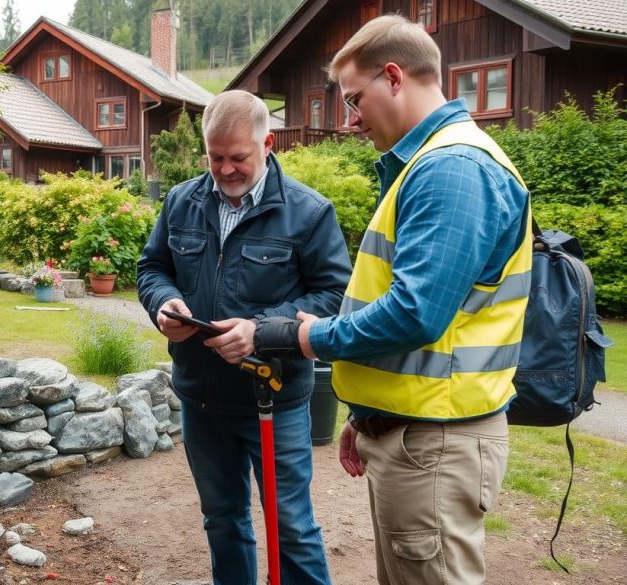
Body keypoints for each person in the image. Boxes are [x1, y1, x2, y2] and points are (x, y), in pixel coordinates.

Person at [251, 15, 533, 585]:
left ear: (395, 77)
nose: (351, 120)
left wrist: (307, 336)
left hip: (436, 442)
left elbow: (416, 312)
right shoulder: (430, 164)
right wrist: (371, 413)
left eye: (355, 99)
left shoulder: (450, 169)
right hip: (415, 429)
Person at [137, 89, 351, 585]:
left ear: (268, 143)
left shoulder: (310, 212)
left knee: (291, 526)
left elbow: (335, 296)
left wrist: (261, 332)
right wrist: (162, 303)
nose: (226, 170)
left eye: (238, 158)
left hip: (273, 398)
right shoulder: (181, 201)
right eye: (215, 158)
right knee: (222, 519)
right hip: (200, 396)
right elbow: (152, 268)